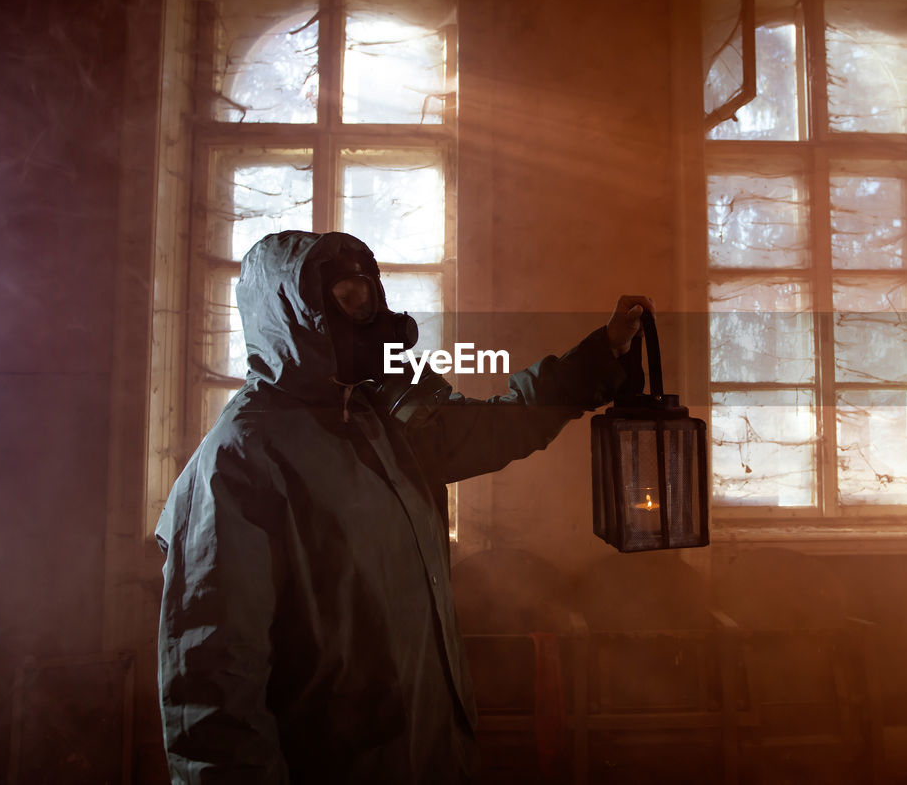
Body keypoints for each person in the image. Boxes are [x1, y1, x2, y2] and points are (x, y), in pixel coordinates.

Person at [155, 230, 651, 784]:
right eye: (343, 299)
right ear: (292, 316)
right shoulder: (239, 459)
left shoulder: (381, 414)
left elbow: (494, 428)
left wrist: (598, 358)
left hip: (431, 756)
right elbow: (212, 693)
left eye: (368, 295)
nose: (366, 316)